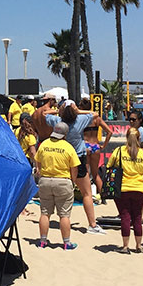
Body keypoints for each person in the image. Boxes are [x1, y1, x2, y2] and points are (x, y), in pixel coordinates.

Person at [46, 100, 110, 235]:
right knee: (87, 193)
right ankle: (92, 224)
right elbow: (95, 113)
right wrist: (78, 111)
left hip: (62, 157)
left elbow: (45, 113)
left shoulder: (57, 121)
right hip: (78, 157)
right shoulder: (80, 120)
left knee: (60, 194)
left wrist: (60, 111)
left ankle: (56, 221)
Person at [107, 128, 143, 253]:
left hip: (122, 188)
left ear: (126, 137)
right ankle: (138, 246)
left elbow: (109, 167)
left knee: (125, 217)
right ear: (139, 139)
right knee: (137, 217)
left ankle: (125, 246)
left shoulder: (119, 151)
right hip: (139, 189)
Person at [34, 122, 80, 249]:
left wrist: (40, 172)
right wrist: (73, 182)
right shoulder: (68, 147)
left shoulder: (44, 144)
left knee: (44, 213)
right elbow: (74, 168)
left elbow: (37, 161)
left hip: (45, 180)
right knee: (64, 215)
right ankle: (66, 243)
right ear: (65, 134)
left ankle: (43, 241)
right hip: (63, 181)